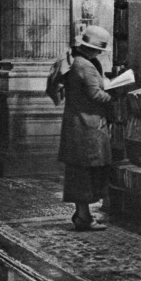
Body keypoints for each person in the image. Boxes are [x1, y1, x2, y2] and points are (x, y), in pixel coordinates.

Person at [58, 25, 114, 231]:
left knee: (79, 172)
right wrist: (114, 94)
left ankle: (82, 214)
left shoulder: (77, 61)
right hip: (87, 127)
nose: (100, 53)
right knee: (85, 172)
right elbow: (96, 95)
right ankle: (83, 216)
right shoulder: (86, 66)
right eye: (99, 49)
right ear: (92, 48)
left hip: (77, 125)